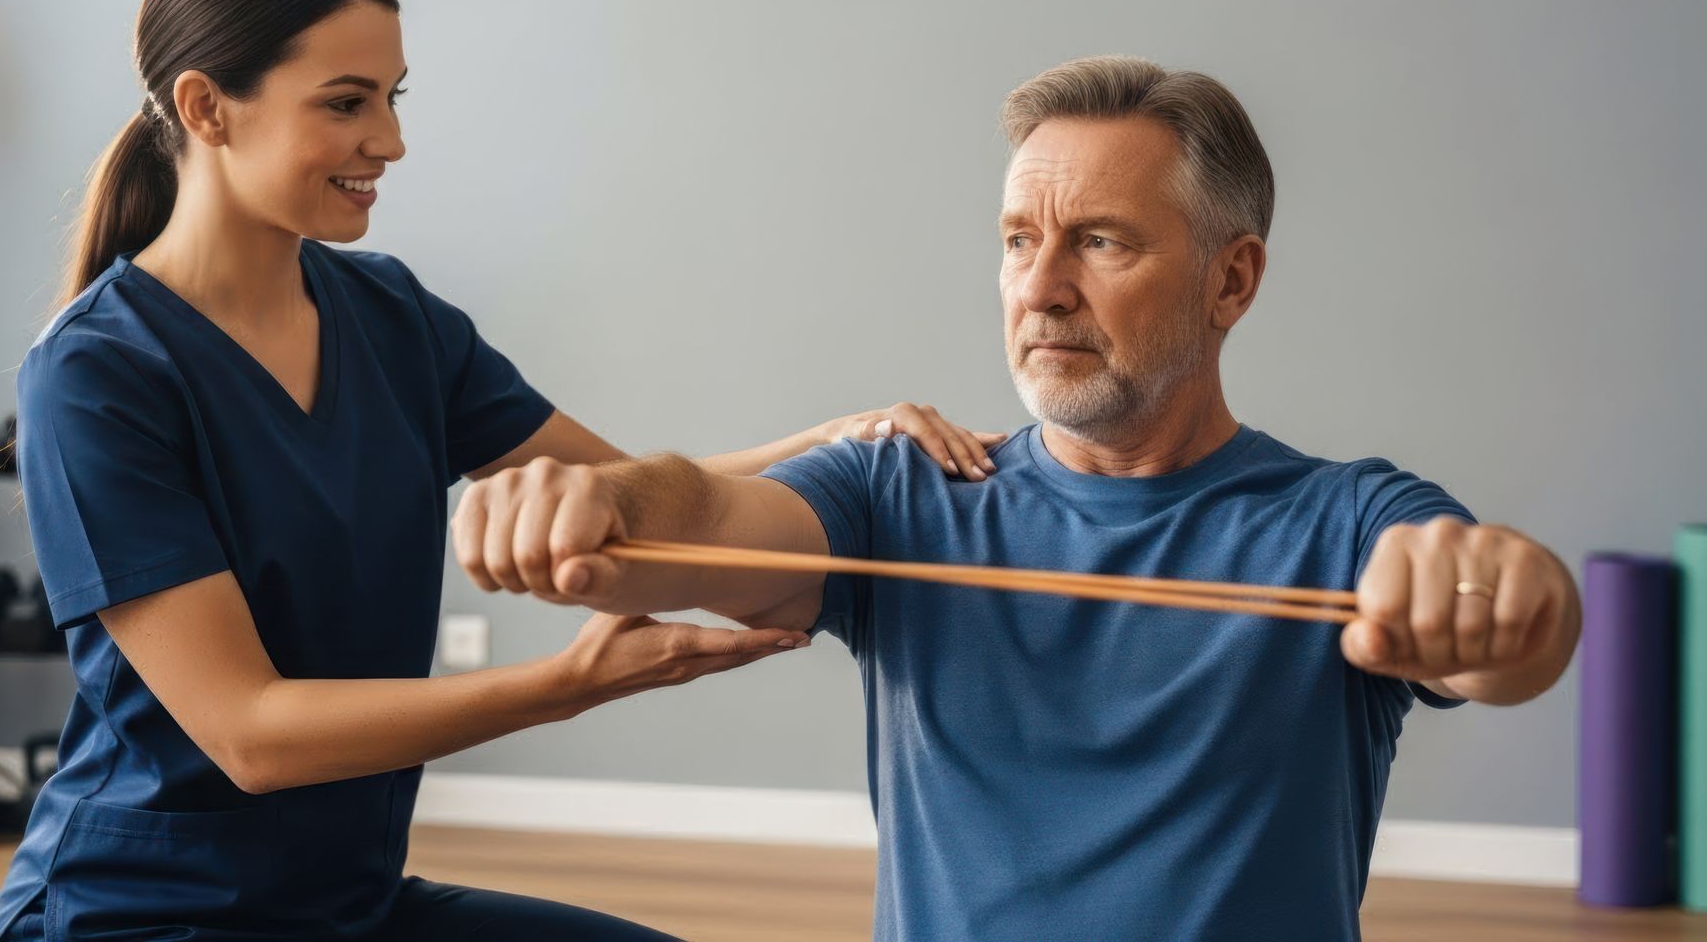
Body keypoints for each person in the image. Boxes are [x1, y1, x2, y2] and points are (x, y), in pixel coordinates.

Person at [0, 0, 999, 941]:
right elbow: (251, 735)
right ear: (207, 107)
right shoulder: (95, 375)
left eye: (391, 96)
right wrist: (566, 688)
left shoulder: (392, 318)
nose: (390, 140)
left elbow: (623, 496)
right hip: (140, 917)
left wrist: (839, 439)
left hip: (346, 906)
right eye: (346, 103)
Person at [452, 55, 1583, 940]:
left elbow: (1502, 636)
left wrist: (1511, 599)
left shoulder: (1344, 521)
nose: (1040, 289)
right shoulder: (902, 492)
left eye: (1098, 242)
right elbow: (691, 521)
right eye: (1016, 241)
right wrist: (599, 500)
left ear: (1230, 279)